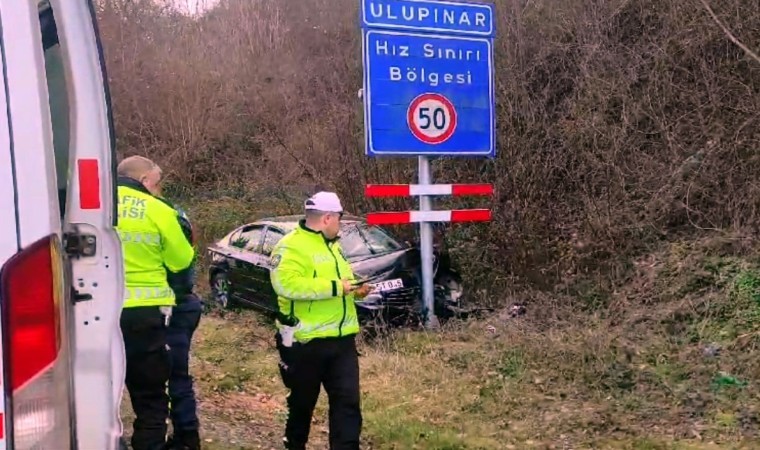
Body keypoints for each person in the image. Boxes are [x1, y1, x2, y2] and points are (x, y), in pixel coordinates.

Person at [269, 191, 372, 450]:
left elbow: (342, 284)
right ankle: (295, 444)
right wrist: (339, 287)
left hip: (342, 341)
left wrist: (356, 289)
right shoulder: (290, 246)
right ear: (327, 218)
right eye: (339, 218)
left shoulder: (333, 246)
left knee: (348, 404)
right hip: (305, 343)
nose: (341, 224)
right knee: (302, 404)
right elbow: (287, 285)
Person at [116, 155, 195, 450]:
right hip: (146, 318)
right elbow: (182, 260)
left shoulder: (92, 206)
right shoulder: (158, 210)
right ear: (146, 180)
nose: (158, 188)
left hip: (94, 313)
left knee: (96, 398)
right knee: (150, 401)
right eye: (157, 183)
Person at [164, 206, 203, 450]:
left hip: (171, 308)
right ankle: (186, 437)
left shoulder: (165, 216)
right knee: (177, 376)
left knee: (170, 377)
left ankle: (186, 437)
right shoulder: (175, 214)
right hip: (184, 305)